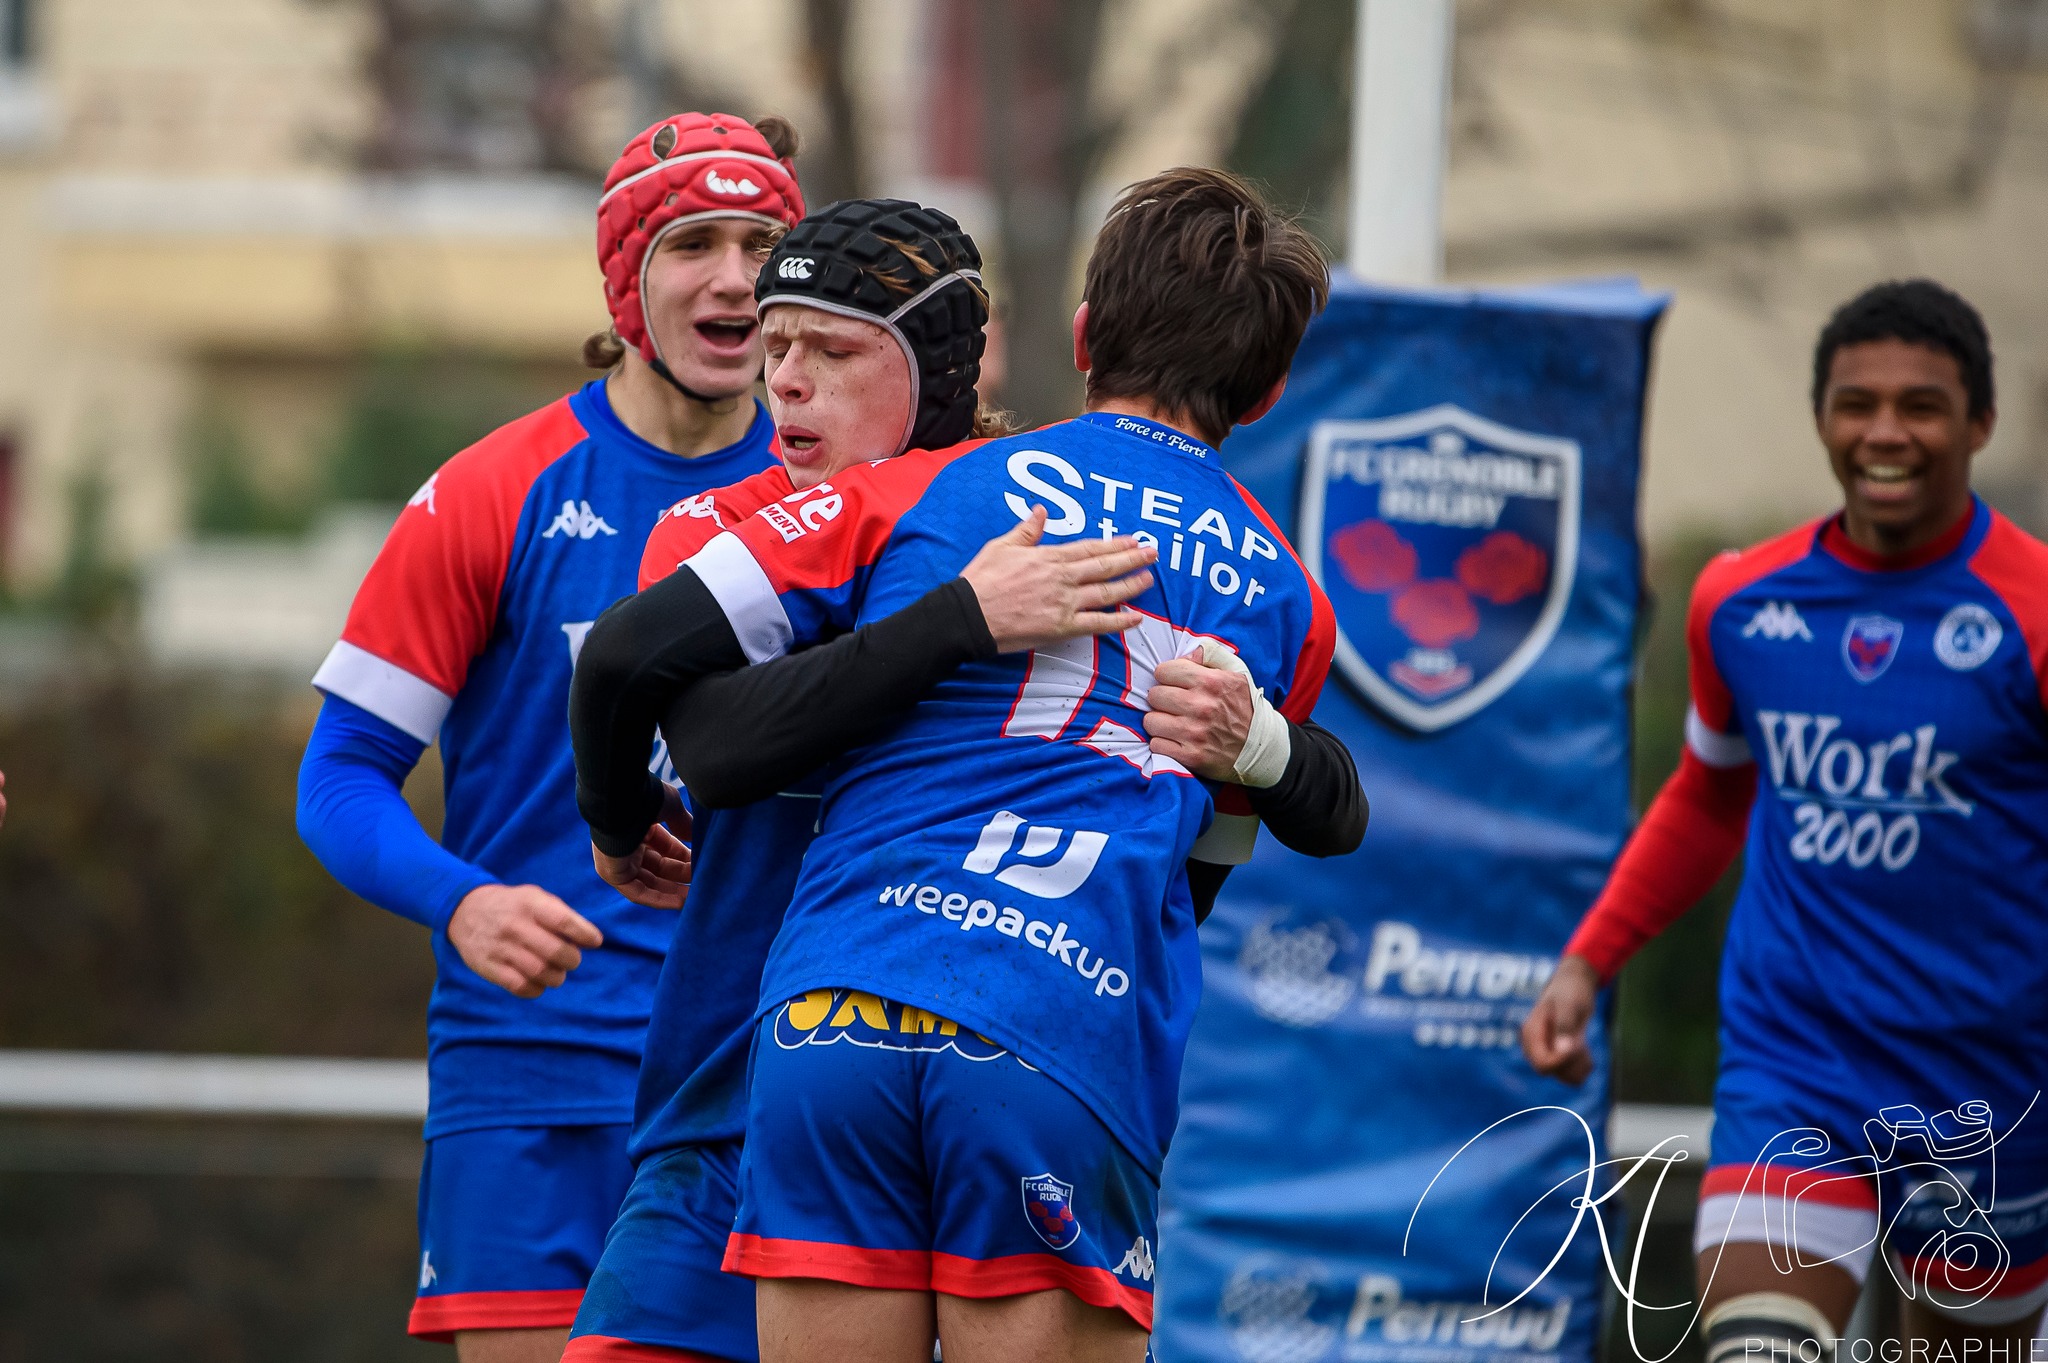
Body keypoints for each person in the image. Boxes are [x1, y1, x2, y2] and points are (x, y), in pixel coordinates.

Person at [572, 168, 1355, 1363]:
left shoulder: (918, 489)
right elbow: (1217, 864)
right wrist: (1255, 751)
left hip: (829, 1015)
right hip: (1053, 1032)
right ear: (1272, 386)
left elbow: (629, 663)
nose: (787, 379)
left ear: (1082, 335)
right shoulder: (1287, 599)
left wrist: (616, 823)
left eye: (825, 349)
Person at [294, 112, 806, 1359]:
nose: (734, 276)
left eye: (763, 243)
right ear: (627, 276)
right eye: (695, 243)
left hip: (756, 1072)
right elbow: (341, 776)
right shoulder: (494, 490)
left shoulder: (834, 498)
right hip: (531, 1068)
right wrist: (462, 902)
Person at [1521, 280, 2048, 1358]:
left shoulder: (2030, 609)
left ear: (1978, 424)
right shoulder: (1742, 601)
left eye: (1921, 405)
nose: (1884, 433)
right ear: (1820, 419)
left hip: (1991, 1085)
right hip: (1796, 1063)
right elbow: (1709, 793)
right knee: (1755, 1346)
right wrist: (1588, 959)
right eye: (1855, 403)